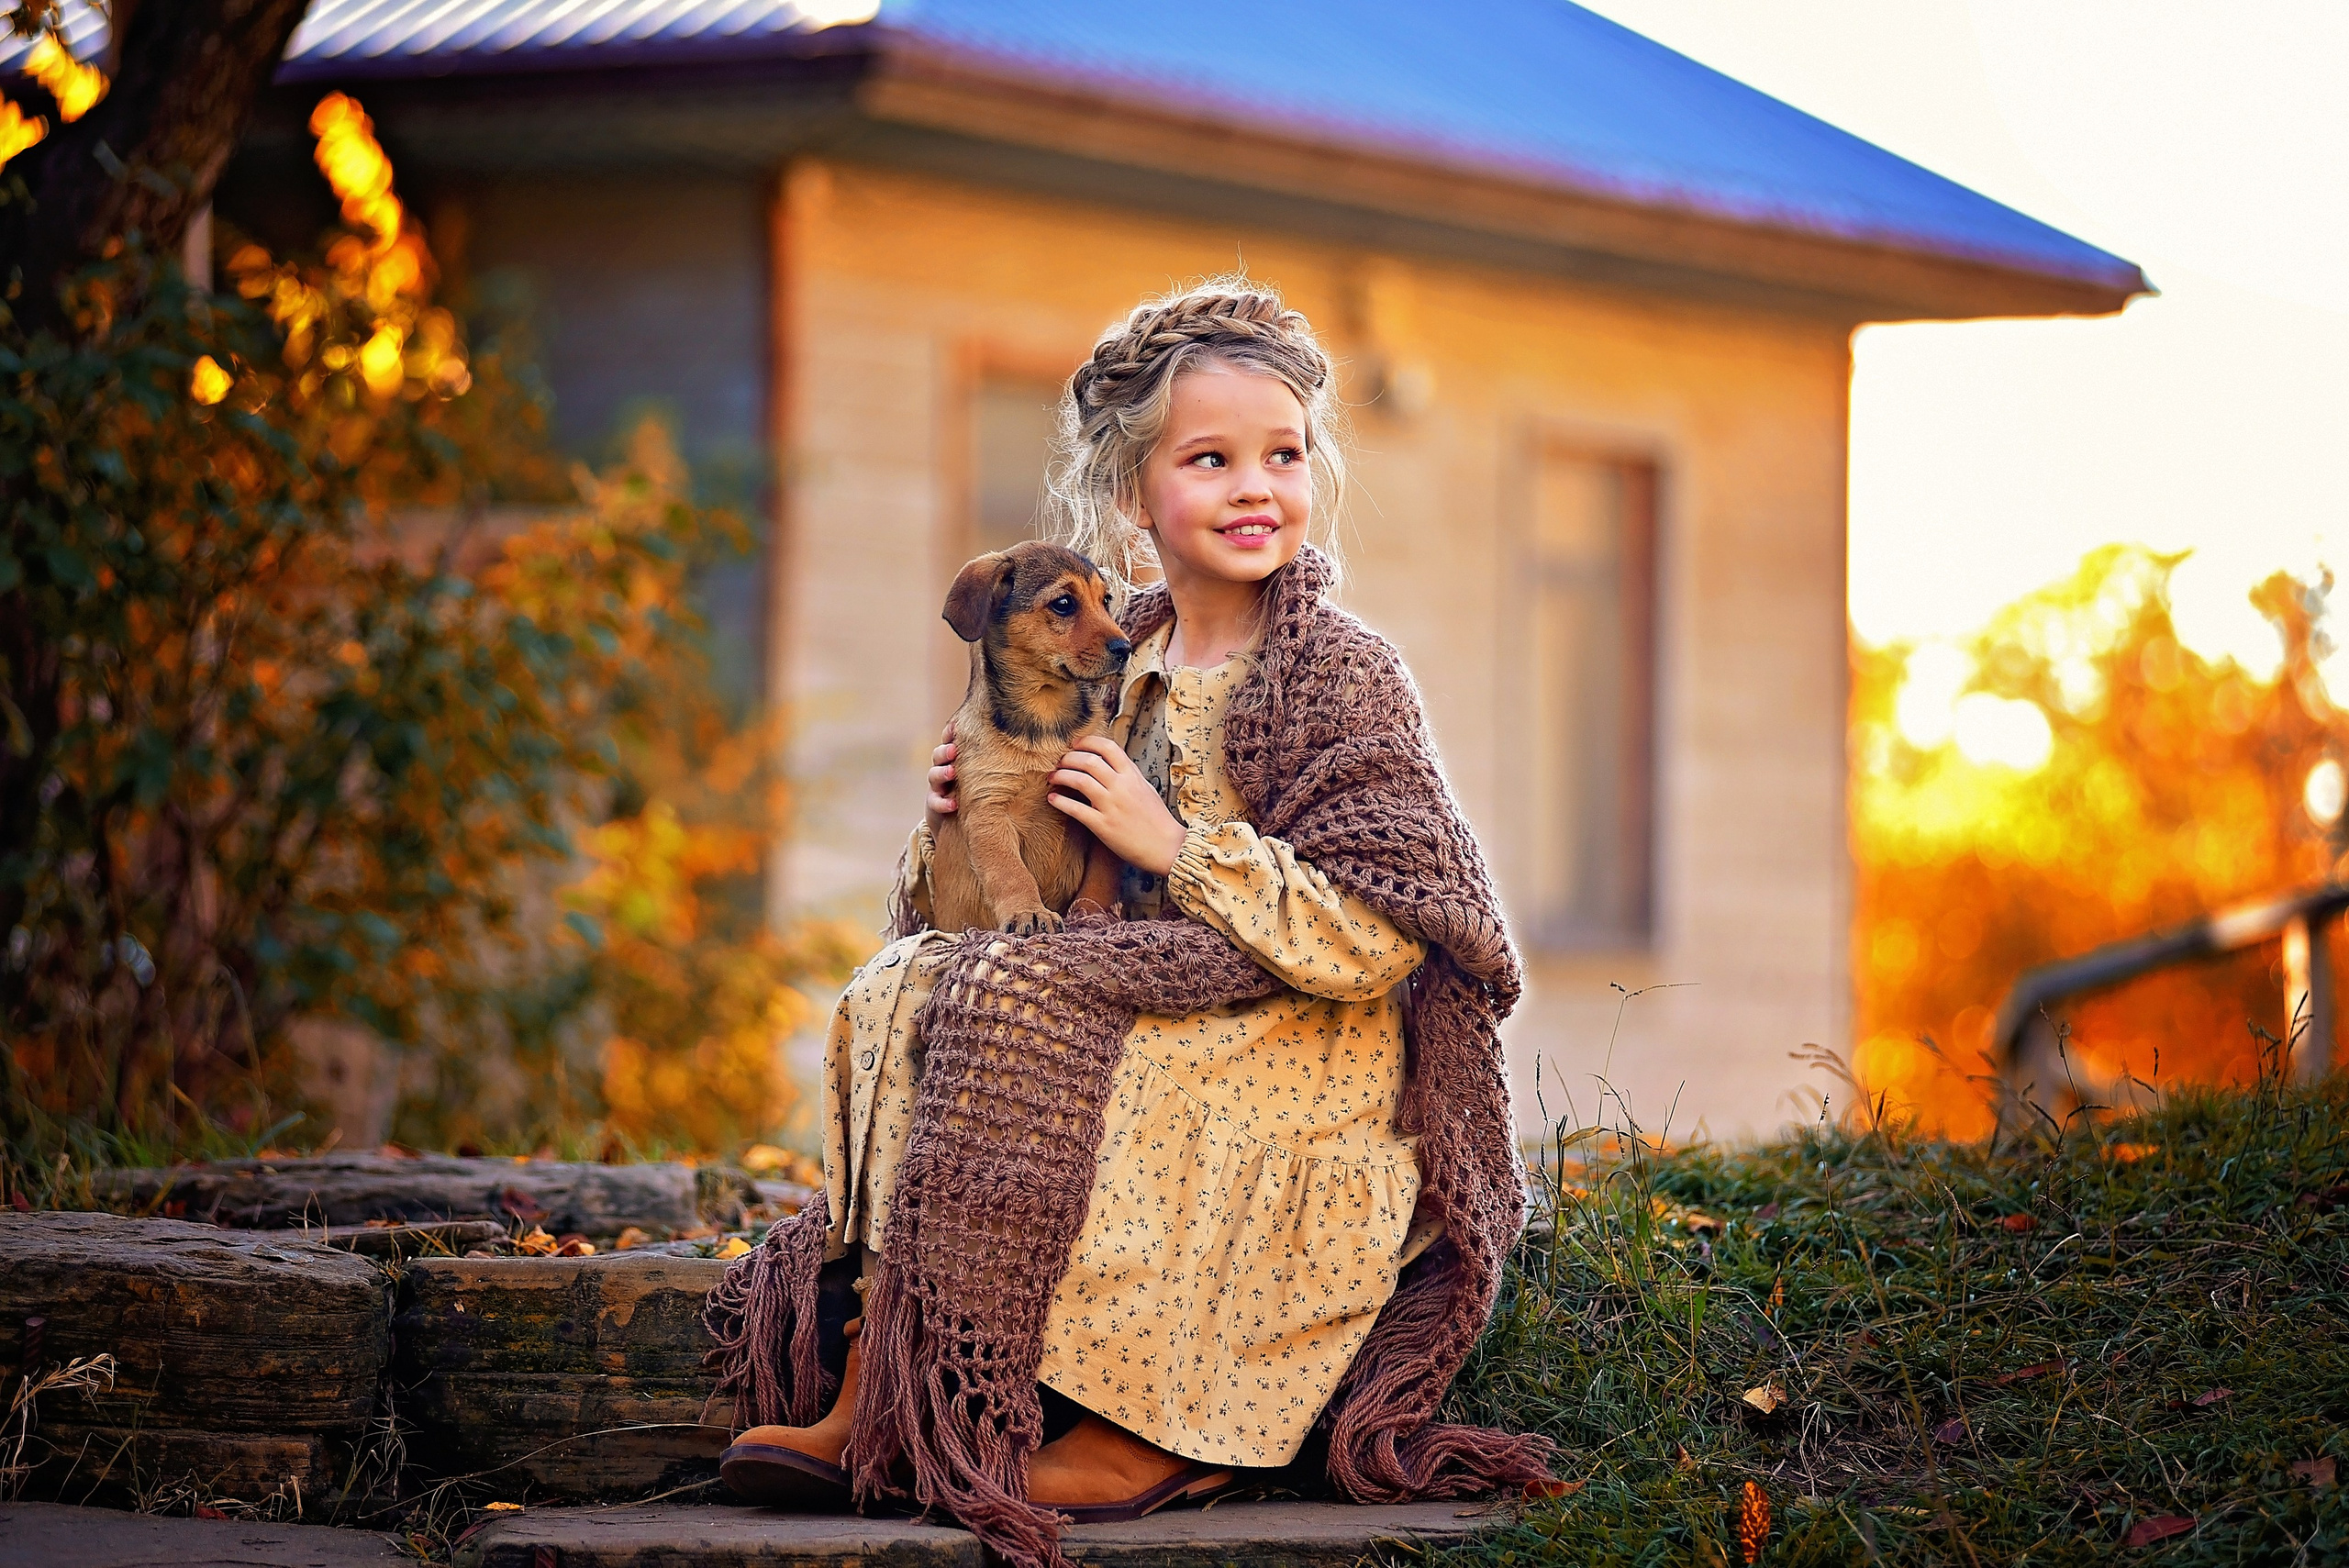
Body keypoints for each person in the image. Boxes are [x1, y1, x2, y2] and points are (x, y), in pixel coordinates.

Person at [707, 278, 1549, 1566]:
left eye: (1282, 455)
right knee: (913, 986)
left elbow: (1388, 928)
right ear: (1131, 497)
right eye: (1209, 459)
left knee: (1114, 1057)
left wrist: (1179, 847)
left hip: (1307, 1038)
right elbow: (1011, 882)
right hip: (1142, 973)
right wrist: (958, 812)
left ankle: (1167, 1417)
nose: (1254, 485)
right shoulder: (1104, 654)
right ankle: (896, 1371)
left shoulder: (1335, 668)